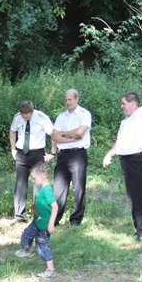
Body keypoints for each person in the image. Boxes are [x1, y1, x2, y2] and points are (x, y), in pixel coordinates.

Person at [103, 92, 142, 241]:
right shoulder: (126, 121)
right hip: (127, 161)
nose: (121, 106)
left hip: (141, 159)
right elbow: (120, 141)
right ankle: (139, 229)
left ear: (133, 103)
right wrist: (110, 154)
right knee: (133, 196)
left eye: (123, 103)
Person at [50, 89, 92, 226]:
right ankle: (55, 218)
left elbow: (79, 133)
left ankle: (76, 220)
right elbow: (54, 136)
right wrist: (69, 137)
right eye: (66, 100)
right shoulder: (61, 116)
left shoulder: (84, 114)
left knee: (78, 188)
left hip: (78, 154)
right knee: (59, 188)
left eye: (70, 100)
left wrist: (62, 133)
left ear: (76, 98)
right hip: (63, 154)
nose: (67, 102)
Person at [9, 100, 54, 223]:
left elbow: (53, 133)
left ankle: (38, 215)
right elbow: (12, 131)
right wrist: (13, 149)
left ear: (32, 111)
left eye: (27, 113)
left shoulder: (41, 117)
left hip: (37, 153)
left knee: (38, 184)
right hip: (21, 154)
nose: (24, 116)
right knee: (20, 184)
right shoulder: (17, 118)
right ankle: (19, 216)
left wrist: (52, 152)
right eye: (22, 113)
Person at [14, 161, 58, 278]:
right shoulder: (41, 188)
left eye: (34, 178)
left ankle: (50, 269)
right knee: (26, 235)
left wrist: (51, 223)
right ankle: (29, 250)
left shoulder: (47, 190)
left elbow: (55, 206)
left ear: (42, 177)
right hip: (36, 221)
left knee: (42, 247)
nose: (33, 181)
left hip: (44, 226)